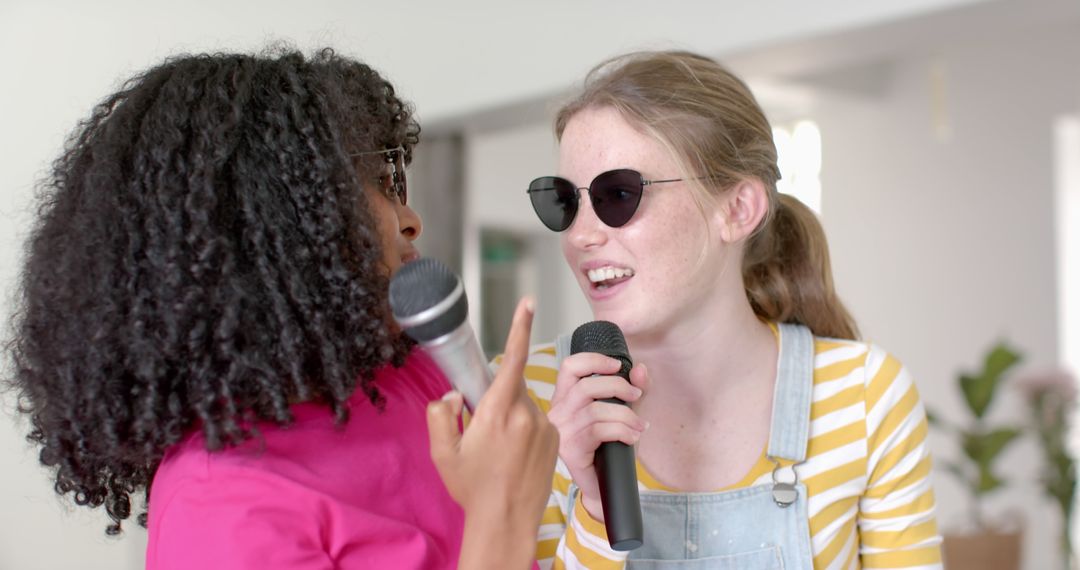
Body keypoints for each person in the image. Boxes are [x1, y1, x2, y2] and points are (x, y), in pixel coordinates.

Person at [6, 48, 557, 569]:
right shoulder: (221, 511)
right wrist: (501, 515)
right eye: (378, 186)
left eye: (395, 183)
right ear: (271, 228)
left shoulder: (405, 372)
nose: (410, 218)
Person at [497, 50, 943, 569]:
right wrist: (596, 512)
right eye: (565, 203)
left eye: (618, 195)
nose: (581, 235)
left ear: (737, 209)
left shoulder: (867, 398)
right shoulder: (520, 400)